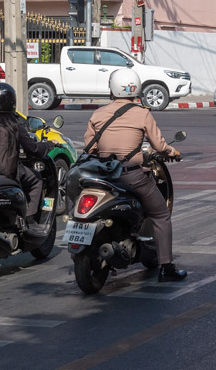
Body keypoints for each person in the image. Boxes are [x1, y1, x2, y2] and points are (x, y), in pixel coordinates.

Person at [84, 67, 187, 282]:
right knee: (160, 215)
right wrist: (174, 152)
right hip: (132, 177)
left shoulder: (98, 113)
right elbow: (159, 145)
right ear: (136, 89)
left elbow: (90, 147)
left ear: (112, 89)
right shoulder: (142, 113)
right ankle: (166, 267)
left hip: (102, 176)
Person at [0, 83, 53, 237]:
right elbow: (33, 149)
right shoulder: (14, 124)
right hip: (8, 172)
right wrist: (48, 145)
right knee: (36, 179)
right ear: (11, 102)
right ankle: (30, 218)